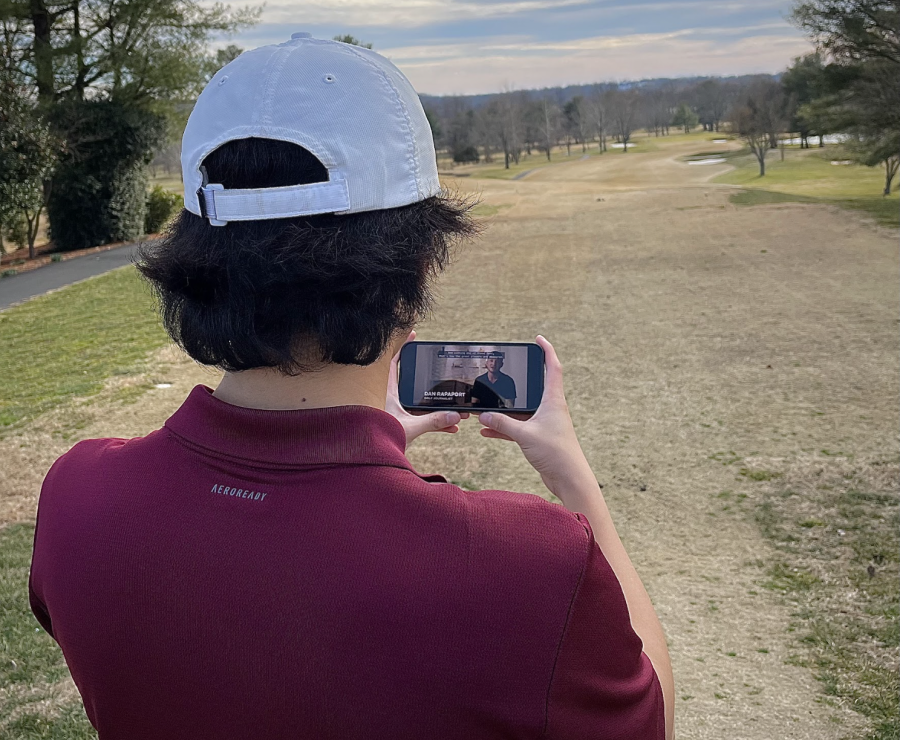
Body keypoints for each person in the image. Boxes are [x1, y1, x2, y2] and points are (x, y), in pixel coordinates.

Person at [29, 33, 674, 740]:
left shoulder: (76, 497)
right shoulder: (530, 566)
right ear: (422, 261)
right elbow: (650, 718)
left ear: (194, 252)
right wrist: (579, 485)